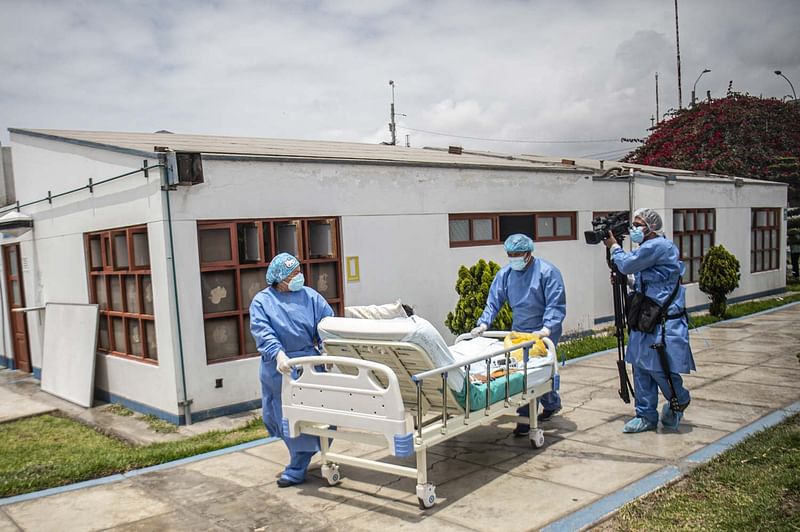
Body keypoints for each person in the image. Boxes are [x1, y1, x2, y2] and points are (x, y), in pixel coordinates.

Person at [604, 208, 695, 433]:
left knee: (659, 367)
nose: (634, 229)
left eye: (638, 224)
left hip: (662, 320)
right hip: (645, 316)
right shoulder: (648, 248)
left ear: (652, 227)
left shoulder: (658, 246)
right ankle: (645, 414)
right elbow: (650, 282)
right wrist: (627, 283)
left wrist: (614, 247)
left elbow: (626, 264)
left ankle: (679, 400)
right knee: (639, 366)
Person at [250, 252, 334, 487]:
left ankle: (300, 464)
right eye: (293, 274)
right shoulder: (262, 301)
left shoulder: (310, 296)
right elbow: (262, 330)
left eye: (299, 271)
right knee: (283, 416)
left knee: (316, 415)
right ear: (279, 278)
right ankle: (300, 460)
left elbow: (327, 323)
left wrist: (327, 349)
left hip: (310, 363)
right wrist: (277, 353)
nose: (299, 277)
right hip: (280, 367)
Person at [471, 233, 567, 435]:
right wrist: (483, 324)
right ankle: (552, 403)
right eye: (510, 254)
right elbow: (493, 301)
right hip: (520, 329)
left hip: (545, 331)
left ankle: (525, 418)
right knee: (535, 372)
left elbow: (555, 303)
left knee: (532, 371)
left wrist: (546, 329)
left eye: (518, 254)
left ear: (529, 253)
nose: (514, 257)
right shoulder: (506, 274)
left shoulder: (548, 272)